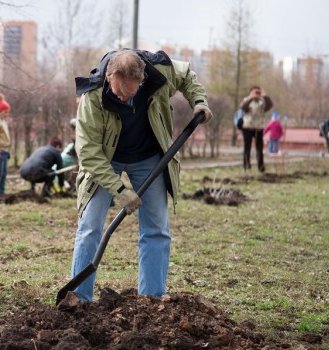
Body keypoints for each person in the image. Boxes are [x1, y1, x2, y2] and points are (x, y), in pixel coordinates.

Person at [70, 49, 211, 302]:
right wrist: (120, 190)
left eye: (129, 93)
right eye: (117, 93)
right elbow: (88, 152)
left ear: (142, 79)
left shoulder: (160, 72)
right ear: (108, 77)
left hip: (148, 156)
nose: (123, 99)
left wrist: (199, 101)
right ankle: (79, 298)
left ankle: (152, 298)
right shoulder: (93, 95)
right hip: (105, 159)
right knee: (90, 227)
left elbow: (187, 75)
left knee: (156, 228)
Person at [240, 86, 273, 172]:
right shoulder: (246, 100)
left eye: (258, 92)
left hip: (258, 128)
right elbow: (243, 108)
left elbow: (270, 105)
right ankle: (246, 166)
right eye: (255, 92)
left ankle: (261, 167)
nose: (257, 94)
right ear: (250, 92)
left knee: (259, 148)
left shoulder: (262, 102)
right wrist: (251, 98)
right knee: (247, 148)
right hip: (247, 127)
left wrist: (265, 96)